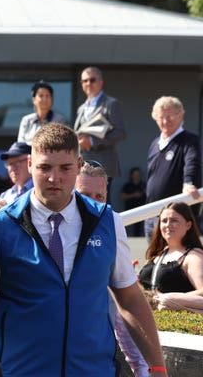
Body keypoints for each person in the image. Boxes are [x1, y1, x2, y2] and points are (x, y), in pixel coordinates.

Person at [0, 122, 166, 377]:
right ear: (30, 165)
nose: (54, 178)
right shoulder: (0, 225)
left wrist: (157, 368)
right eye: (44, 167)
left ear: (79, 165)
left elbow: (130, 299)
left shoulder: (108, 221)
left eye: (65, 168)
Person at [75, 160, 149, 377]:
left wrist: (143, 368)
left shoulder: (111, 223)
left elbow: (124, 303)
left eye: (100, 197)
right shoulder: (41, 224)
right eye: (85, 195)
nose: (94, 204)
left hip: (96, 364)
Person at [144, 96, 201, 244]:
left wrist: (188, 182)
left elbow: (192, 162)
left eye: (169, 116)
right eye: (161, 117)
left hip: (176, 218)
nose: (165, 121)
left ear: (181, 115)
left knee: (177, 262)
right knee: (154, 262)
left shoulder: (189, 140)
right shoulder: (154, 144)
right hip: (152, 215)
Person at [139, 202, 203, 312]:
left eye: (174, 220)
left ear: (188, 225)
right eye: (164, 221)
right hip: (145, 317)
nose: (168, 225)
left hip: (173, 319)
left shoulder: (193, 256)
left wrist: (168, 299)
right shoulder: (156, 254)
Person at [74, 66, 126, 201]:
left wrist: (92, 142)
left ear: (101, 82)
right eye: (84, 81)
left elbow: (120, 132)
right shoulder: (81, 108)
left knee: (100, 207)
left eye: (92, 80)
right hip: (83, 166)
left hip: (103, 165)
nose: (88, 84)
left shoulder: (111, 104)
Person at [17, 80, 67, 144]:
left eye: (47, 96)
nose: (44, 99)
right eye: (41, 96)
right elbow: (20, 144)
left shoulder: (59, 120)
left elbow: (60, 143)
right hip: (28, 153)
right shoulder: (26, 120)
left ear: (52, 99)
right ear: (34, 100)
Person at [0, 142, 32, 210]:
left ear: (30, 162)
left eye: (18, 162)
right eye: (10, 164)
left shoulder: (39, 191)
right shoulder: (5, 195)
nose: (13, 168)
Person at [121, 167, 147, 237]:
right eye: (135, 174)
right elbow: (123, 197)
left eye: (138, 174)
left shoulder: (143, 185)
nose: (136, 176)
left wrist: (145, 192)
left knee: (138, 228)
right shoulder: (127, 185)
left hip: (141, 210)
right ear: (131, 175)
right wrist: (133, 195)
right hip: (129, 209)